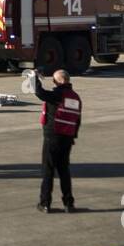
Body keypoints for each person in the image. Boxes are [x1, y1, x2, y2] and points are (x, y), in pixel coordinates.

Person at [32, 69, 82, 212]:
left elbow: (40, 93)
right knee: (64, 170)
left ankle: (45, 203)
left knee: (48, 170)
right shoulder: (75, 97)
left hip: (53, 137)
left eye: (54, 80)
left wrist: (35, 78)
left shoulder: (58, 94)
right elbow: (77, 119)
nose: (53, 83)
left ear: (59, 81)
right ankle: (69, 203)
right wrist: (73, 137)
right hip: (67, 138)